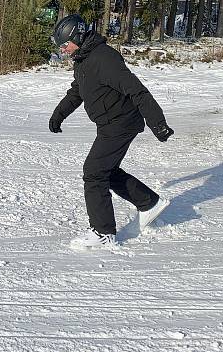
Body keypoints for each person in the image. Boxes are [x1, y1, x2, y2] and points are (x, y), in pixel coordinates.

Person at [49, 14, 174, 248]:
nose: (63, 50)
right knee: (106, 170)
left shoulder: (104, 58)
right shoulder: (83, 60)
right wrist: (58, 115)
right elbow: (77, 91)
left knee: (94, 173)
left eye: (65, 45)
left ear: (77, 36)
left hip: (121, 123)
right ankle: (149, 203)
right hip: (109, 123)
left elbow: (138, 91)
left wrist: (157, 123)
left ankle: (103, 232)